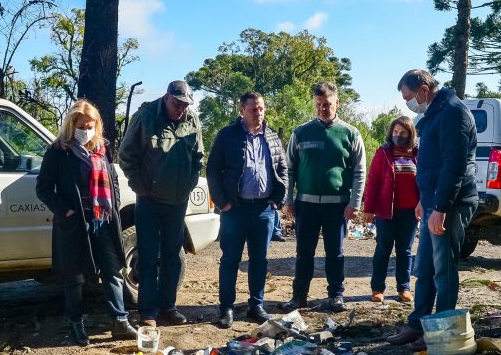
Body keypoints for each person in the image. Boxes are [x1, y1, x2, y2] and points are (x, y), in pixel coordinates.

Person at [36, 99, 138, 345]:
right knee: (75, 276)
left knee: (113, 270)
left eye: (90, 125)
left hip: (103, 220)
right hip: (74, 224)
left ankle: (120, 321)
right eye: (82, 126)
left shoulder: (103, 148)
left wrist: (112, 204)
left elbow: (112, 179)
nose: (86, 131)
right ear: (72, 125)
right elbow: (43, 188)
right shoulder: (58, 151)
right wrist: (66, 211)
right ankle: (76, 323)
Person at [388, 69, 477, 349]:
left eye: (409, 97)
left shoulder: (453, 112)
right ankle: (418, 324)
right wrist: (424, 200)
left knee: (443, 268)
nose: (408, 104)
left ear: (424, 89)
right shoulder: (433, 114)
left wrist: (440, 207)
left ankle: (441, 330)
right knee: (424, 265)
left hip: (451, 203)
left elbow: (454, 165)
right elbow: (431, 164)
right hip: (433, 201)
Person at [118, 80, 204, 327]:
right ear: (166, 98)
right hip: (149, 201)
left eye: (185, 105)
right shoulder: (145, 117)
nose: (181, 109)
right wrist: (141, 187)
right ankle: (148, 312)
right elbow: (126, 156)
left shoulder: (192, 120)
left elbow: (198, 157)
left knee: (172, 257)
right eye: (177, 104)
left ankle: (168, 307)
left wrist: (189, 184)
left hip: (178, 201)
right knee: (147, 254)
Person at [283, 82, 366, 313]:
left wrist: (354, 203)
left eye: (327, 104)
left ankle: (336, 295)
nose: (322, 108)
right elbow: (289, 169)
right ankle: (299, 297)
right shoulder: (301, 132)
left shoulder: (351, 133)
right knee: (304, 253)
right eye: (318, 104)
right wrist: (288, 200)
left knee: (335, 253)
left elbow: (360, 171)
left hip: (338, 206)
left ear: (337, 103)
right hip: (305, 205)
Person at [207, 91, 288, 327]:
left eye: (262, 109)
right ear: (241, 110)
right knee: (230, 259)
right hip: (235, 209)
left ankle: (256, 305)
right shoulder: (227, 135)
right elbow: (213, 170)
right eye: (254, 109)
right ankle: (226, 309)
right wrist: (223, 203)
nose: (259, 113)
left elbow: (283, 169)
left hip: (264, 210)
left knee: (259, 260)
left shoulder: (272, 137)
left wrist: (277, 200)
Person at [362, 115, 419, 304]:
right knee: (383, 249)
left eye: (402, 133)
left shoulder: (417, 154)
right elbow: (373, 182)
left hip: (410, 213)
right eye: (395, 132)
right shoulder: (383, 153)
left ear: (410, 134)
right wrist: (368, 209)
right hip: (386, 212)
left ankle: (404, 288)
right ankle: (377, 288)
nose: (398, 135)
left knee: (405, 251)